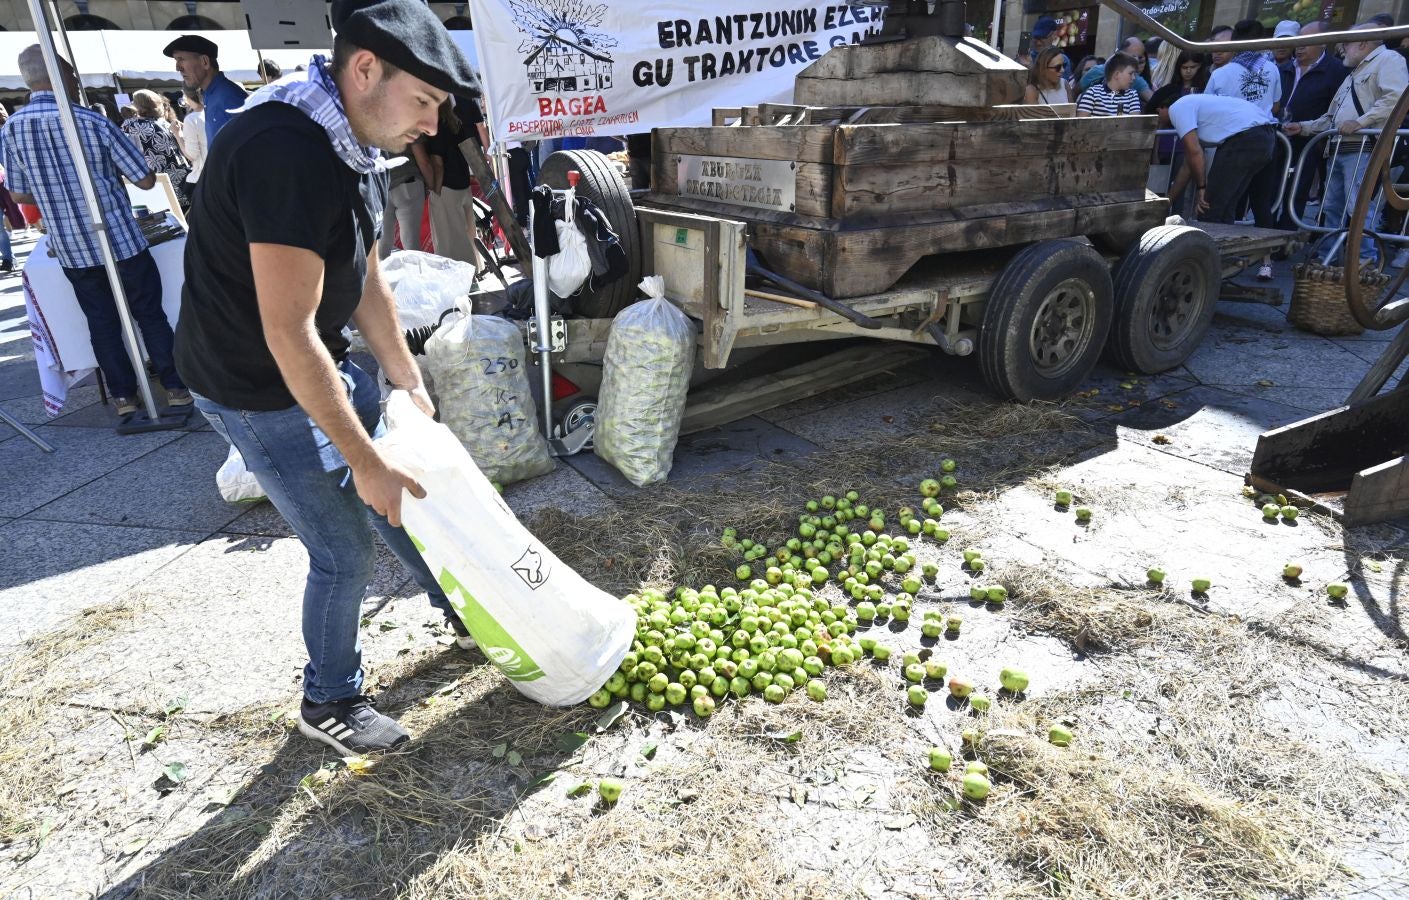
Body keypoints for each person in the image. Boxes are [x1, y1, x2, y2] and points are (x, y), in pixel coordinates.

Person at [173, 0, 479, 754]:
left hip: (316, 358)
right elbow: (287, 330)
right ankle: (330, 700)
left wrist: (406, 380)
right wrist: (362, 456)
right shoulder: (285, 152)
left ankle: (467, 611)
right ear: (365, 69)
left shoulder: (349, 136)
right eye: (425, 101)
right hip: (251, 383)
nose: (433, 126)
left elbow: (363, 268)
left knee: (403, 496)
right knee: (344, 546)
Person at [1, 47, 190, 421]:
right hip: (119, 236)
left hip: (71, 245)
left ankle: (124, 396)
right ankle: (175, 387)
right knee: (149, 315)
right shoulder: (92, 122)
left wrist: (55, 189)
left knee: (101, 321)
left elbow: (21, 194)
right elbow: (145, 178)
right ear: (63, 75)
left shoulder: (12, 128)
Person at [1285, 22, 1409, 265]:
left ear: (1362, 42)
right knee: (1332, 207)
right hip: (1341, 147)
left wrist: (1361, 122)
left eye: (1346, 42)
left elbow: (1397, 98)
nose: (1341, 48)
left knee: (1358, 207)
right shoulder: (1355, 71)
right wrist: (1304, 127)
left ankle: (1363, 262)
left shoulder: (1388, 59)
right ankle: (1327, 259)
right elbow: (1332, 117)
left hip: (1365, 147)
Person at [1148, 85, 1278, 225]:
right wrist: (1167, 202)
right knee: (1226, 207)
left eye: (1157, 118)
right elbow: (1188, 166)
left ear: (1160, 108)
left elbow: (1195, 152)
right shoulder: (1196, 107)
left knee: (1208, 209)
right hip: (1266, 136)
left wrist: (1202, 188)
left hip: (1246, 139)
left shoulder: (1177, 108)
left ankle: (1209, 246)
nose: (1159, 123)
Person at [1276, 21, 1349, 229]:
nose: (1299, 46)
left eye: (1307, 42)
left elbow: (1336, 108)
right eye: (1299, 41)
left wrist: (1313, 129)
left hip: (1311, 141)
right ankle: (1267, 231)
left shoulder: (1337, 71)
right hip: (1279, 137)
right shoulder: (1285, 68)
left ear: (1323, 43)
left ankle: (1286, 237)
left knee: (1298, 190)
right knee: (1271, 187)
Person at [426, 95, 484, 267]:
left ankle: (465, 273)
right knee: (468, 232)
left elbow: (438, 164)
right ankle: (476, 268)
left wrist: (434, 190)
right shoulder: (458, 124)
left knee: (450, 237)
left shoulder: (437, 129)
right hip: (463, 183)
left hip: (446, 186)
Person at [164, 35, 248, 144]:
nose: (177, 68)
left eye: (181, 59)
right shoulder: (213, 95)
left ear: (205, 62)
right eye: (176, 60)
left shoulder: (228, 98)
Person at [121, 89, 191, 208]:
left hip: (158, 186)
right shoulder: (166, 124)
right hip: (183, 184)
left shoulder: (130, 126)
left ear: (138, 106)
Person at [1206, 20, 1280, 113]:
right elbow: (1275, 106)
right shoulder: (1272, 68)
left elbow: (1208, 110)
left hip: (1231, 126)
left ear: (1233, 42)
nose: (1218, 51)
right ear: (1261, 42)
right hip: (1264, 126)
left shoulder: (1219, 74)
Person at [379, 137, 432, 256]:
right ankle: (416, 274)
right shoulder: (408, 120)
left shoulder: (372, 121)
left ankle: (379, 274)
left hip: (382, 187)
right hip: (407, 183)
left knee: (382, 244)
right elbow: (423, 160)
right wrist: (432, 185)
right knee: (412, 245)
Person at [1077, 38, 1153, 102]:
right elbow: (1075, 92)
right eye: (1133, 57)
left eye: (1139, 58)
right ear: (1120, 54)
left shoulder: (1136, 80)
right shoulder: (1097, 72)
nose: (1136, 61)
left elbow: (1152, 101)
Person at [1076, 52, 1142, 116]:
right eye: (1130, 74)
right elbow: (1081, 124)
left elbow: (1134, 124)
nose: (1133, 78)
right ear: (1117, 75)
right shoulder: (1092, 93)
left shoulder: (1132, 95)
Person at [180, 87, 207, 185]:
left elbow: (192, 155)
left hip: (204, 176)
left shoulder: (191, 119)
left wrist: (178, 135)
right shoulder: (213, 111)